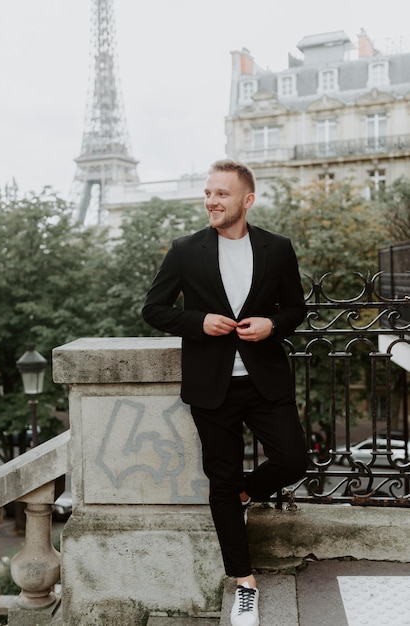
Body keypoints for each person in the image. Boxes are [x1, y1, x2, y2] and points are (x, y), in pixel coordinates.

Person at [142, 159, 308, 626]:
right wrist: (198, 322)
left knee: (294, 459)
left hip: (264, 381)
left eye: (222, 194)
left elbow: (296, 307)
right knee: (221, 479)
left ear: (247, 200)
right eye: (209, 193)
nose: (212, 201)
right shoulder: (184, 250)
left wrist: (272, 324)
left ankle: (242, 494)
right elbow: (152, 309)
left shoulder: (278, 249)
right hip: (211, 385)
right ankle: (245, 584)